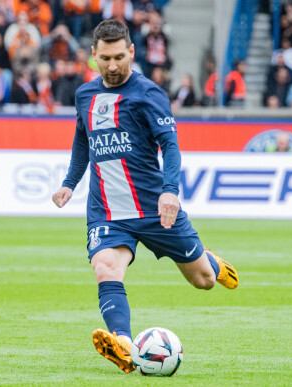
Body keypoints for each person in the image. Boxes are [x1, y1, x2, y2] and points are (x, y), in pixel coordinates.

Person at [51, 20, 239, 375]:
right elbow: (82, 139)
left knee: (203, 281)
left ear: (132, 52)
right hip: (106, 209)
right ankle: (121, 343)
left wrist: (171, 191)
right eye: (104, 58)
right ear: (93, 55)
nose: (112, 65)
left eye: (119, 57)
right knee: (105, 267)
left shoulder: (148, 93)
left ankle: (209, 261)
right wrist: (69, 183)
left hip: (154, 208)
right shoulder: (84, 95)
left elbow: (170, 144)